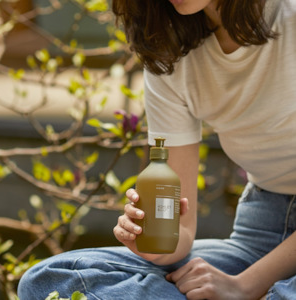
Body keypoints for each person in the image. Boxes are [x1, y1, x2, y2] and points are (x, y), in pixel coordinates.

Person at [18, 0, 296, 299]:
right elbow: (183, 231)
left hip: (261, 268)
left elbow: (244, 284)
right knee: (49, 281)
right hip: (264, 228)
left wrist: (246, 285)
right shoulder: (171, 54)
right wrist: (152, 241)